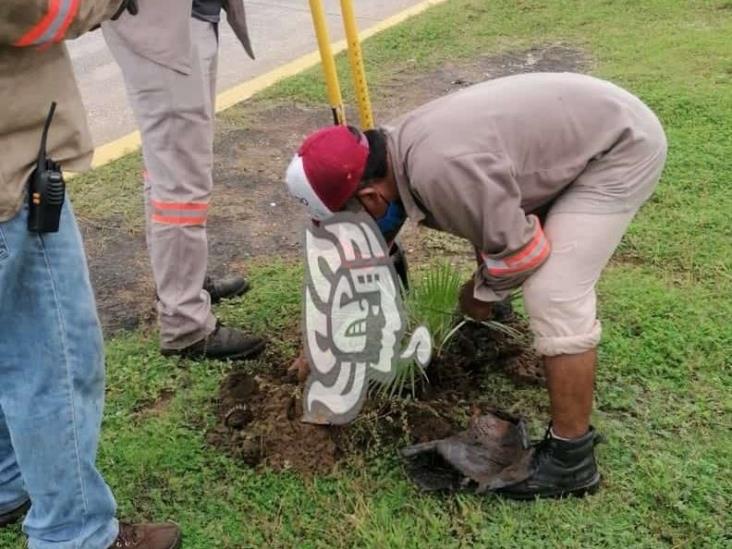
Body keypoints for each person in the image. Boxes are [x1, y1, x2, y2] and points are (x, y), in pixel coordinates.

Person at [284, 72, 667, 499]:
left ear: (372, 197)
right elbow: (387, 243)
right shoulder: (392, 150)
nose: (357, 232)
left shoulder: (438, 170)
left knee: (553, 289)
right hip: (577, 126)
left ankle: (570, 459)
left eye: (351, 220)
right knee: (485, 216)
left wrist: (479, 296)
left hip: (619, 146)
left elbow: (523, 253)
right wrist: (319, 348)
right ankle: (496, 322)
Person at [0, 1, 181, 547]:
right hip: (7, 173)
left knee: (10, 342)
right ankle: (74, 532)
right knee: (53, 356)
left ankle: (8, 482)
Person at [102, 0, 262, 360]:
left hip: (186, 19)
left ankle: (181, 286)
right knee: (180, 180)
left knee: (170, 170)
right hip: (165, 27)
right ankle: (184, 322)